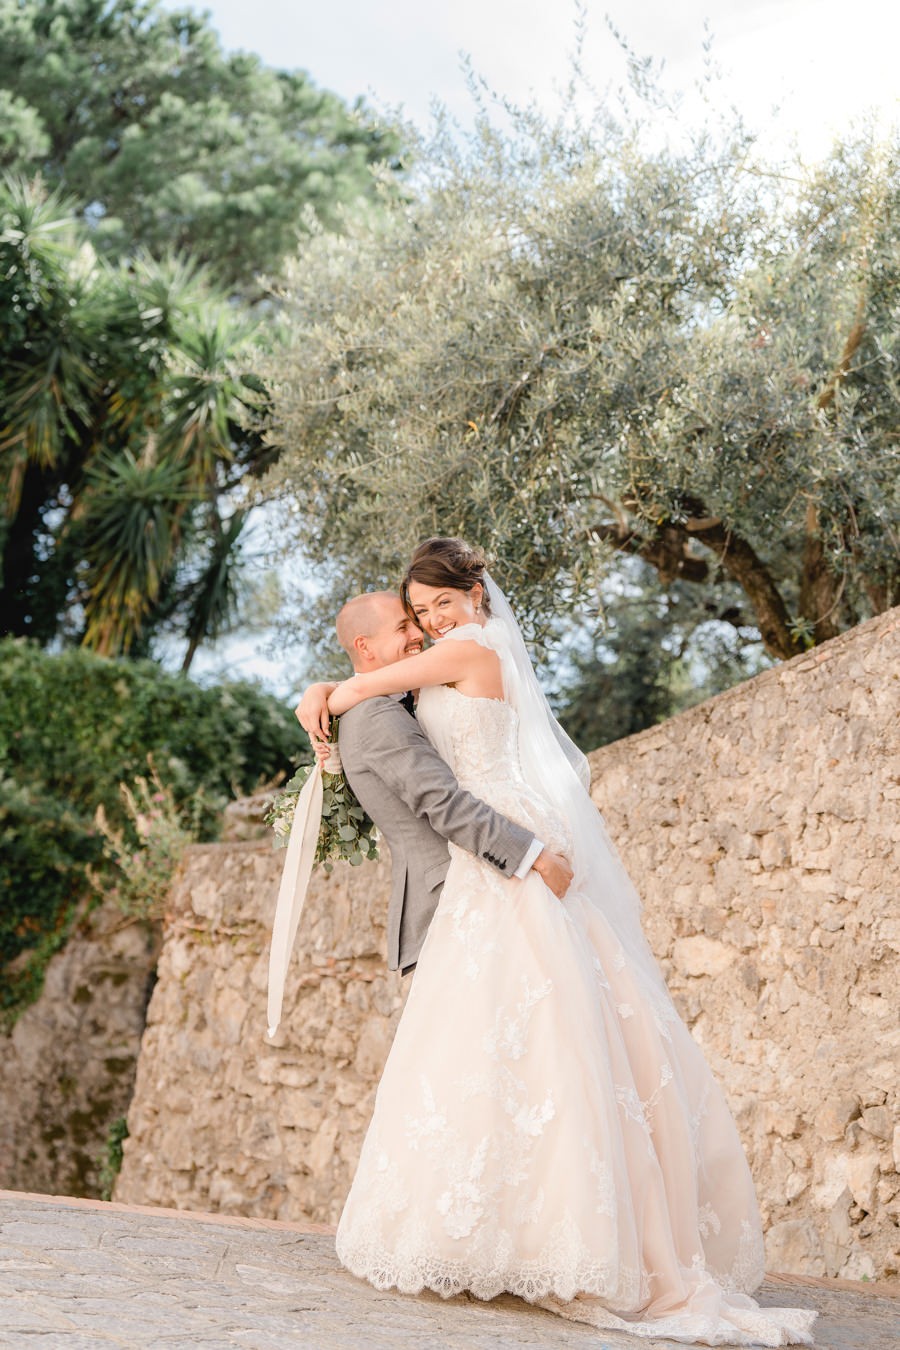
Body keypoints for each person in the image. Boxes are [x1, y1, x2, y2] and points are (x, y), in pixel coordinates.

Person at [300, 539, 817, 1346]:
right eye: (419, 613)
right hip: (497, 849)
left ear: (477, 592)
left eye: (439, 604)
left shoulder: (468, 649)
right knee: (521, 1034)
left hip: (506, 849)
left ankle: (565, 1241)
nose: (432, 623)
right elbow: (373, 686)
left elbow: (366, 685)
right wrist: (332, 690)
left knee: (542, 1033)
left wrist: (325, 693)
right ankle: (520, 1232)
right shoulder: (454, 655)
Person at [296, 591, 574, 978]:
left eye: (417, 619)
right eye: (404, 625)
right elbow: (442, 801)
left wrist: (322, 689)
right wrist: (534, 857)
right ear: (364, 645)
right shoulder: (375, 715)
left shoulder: (384, 701)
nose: (420, 632)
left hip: (472, 888)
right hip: (455, 896)